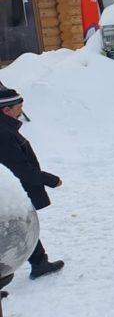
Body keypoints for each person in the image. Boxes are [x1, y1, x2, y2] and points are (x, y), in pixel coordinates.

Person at [0, 87, 64, 279]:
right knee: (17, 225)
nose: (21, 110)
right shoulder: (3, 134)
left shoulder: (6, 129)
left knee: (19, 224)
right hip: (10, 192)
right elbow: (21, 169)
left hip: (9, 191)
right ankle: (37, 263)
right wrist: (50, 180)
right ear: (6, 110)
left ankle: (39, 262)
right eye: (19, 107)